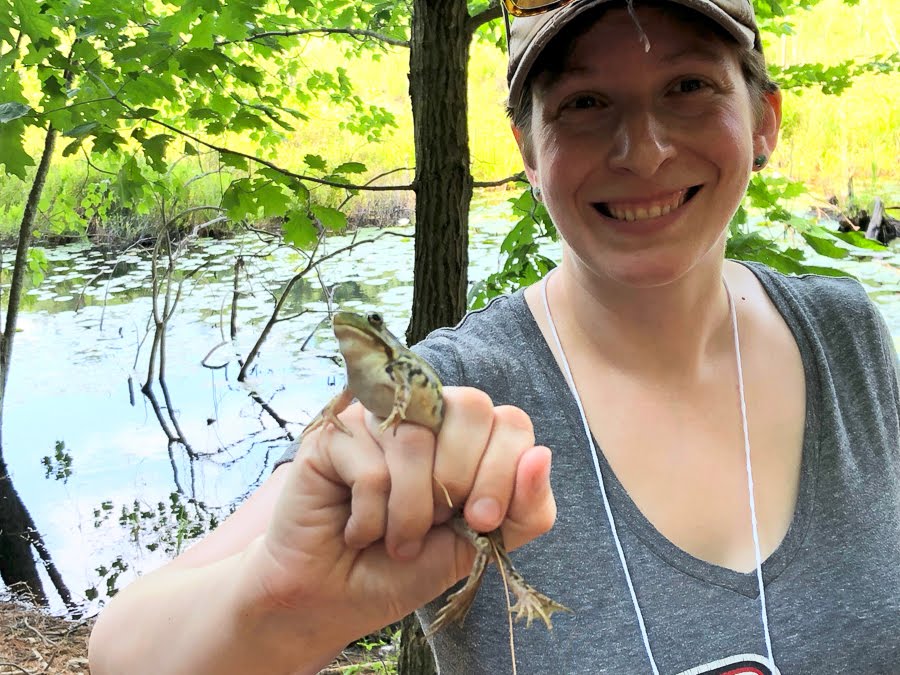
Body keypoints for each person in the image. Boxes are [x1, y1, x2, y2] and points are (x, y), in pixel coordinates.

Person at [89, 0, 900, 672]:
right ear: (528, 151)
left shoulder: (847, 334)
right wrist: (280, 601)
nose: (643, 150)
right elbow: (122, 650)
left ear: (763, 120)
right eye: (585, 103)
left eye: (688, 85)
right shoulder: (450, 403)